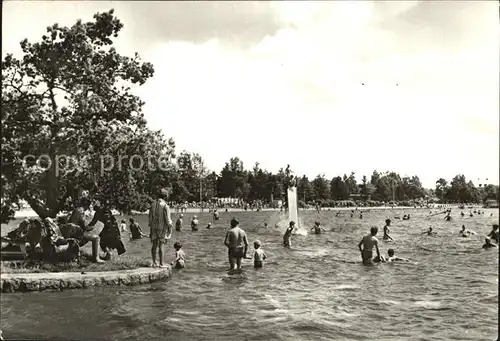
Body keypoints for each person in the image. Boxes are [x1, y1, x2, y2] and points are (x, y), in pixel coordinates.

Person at [68, 197, 105, 263]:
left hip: (70, 232)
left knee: (89, 234)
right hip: (76, 234)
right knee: (96, 238)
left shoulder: (76, 210)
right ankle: (96, 258)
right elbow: (85, 227)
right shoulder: (81, 212)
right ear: (86, 205)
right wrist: (92, 227)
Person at [148, 189, 173, 268]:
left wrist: (151, 225)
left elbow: (150, 217)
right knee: (161, 245)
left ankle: (154, 262)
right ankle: (161, 263)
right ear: (165, 196)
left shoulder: (153, 204)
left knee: (154, 245)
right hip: (162, 227)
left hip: (153, 227)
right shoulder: (165, 206)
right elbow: (168, 219)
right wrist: (170, 228)